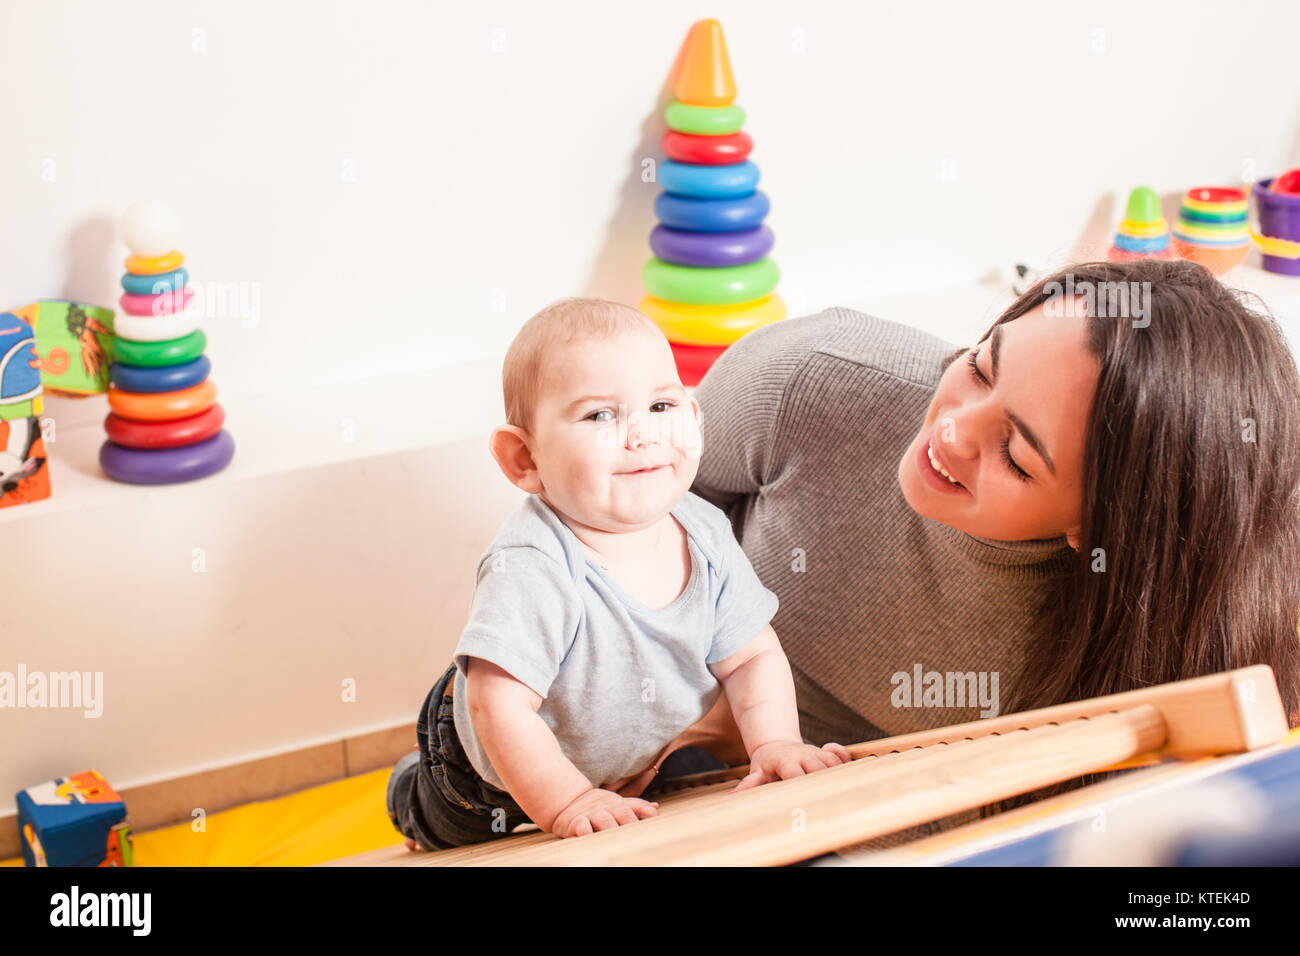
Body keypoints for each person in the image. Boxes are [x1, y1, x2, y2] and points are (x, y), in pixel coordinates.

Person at [678, 258, 1300, 849]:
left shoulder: (1180, 639)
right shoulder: (809, 375)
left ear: (1097, 530)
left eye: (1016, 455)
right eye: (981, 368)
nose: (954, 430)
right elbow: (617, 532)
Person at [387, 297, 851, 851]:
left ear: (694, 417)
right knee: (444, 831)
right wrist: (571, 801)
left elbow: (751, 655)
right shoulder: (535, 563)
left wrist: (774, 743)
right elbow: (498, 704)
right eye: (600, 415)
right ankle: (406, 785)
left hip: (625, 753)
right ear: (524, 460)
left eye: (660, 406)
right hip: (487, 771)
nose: (641, 434)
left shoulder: (703, 533)